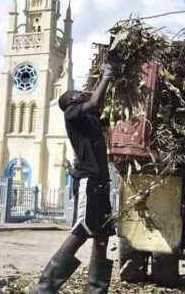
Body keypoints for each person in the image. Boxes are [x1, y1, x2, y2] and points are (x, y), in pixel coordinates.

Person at [33, 63, 116, 294]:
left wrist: (104, 82)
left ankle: (96, 290)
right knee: (82, 230)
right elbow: (95, 103)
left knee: (102, 236)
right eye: (75, 94)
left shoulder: (89, 119)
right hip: (88, 182)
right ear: (71, 102)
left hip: (101, 183)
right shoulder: (71, 114)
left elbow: (100, 107)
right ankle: (45, 288)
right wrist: (106, 76)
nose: (80, 92)